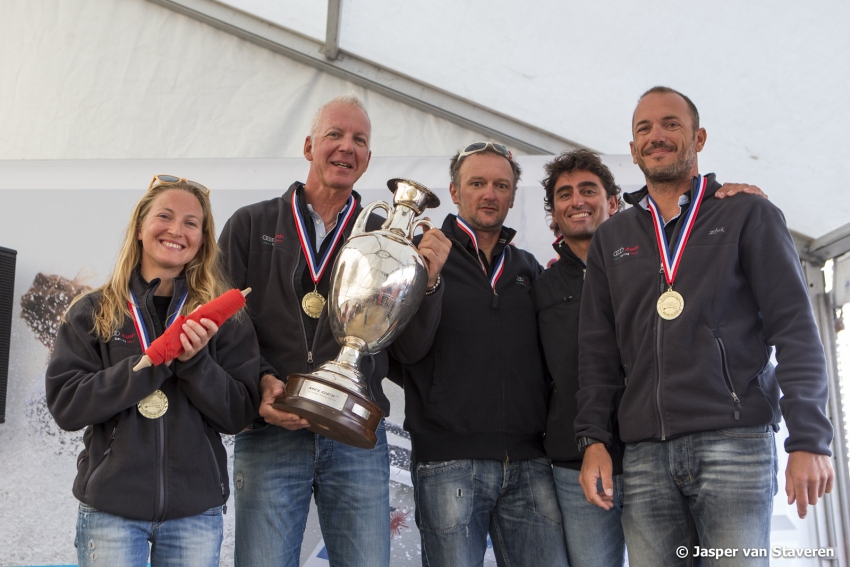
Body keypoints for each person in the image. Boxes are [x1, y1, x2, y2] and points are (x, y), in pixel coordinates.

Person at [575, 86, 834, 566]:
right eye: (644, 129)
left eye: (671, 124)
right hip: (646, 455)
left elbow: (795, 329)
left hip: (734, 444)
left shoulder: (747, 213)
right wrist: (593, 440)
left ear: (699, 137)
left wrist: (810, 440)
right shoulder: (613, 237)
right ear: (632, 151)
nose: (657, 136)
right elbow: (597, 353)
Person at [218, 94, 448, 567]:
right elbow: (224, 327)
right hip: (271, 427)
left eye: (359, 140)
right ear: (308, 146)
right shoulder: (251, 224)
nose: (347, 147)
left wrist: (430, 282)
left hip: (355, 430)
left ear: (367, 159)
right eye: (335, 135)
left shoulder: (393, 241)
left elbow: (412, 348)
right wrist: (261, 380)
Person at [536, 149, 763, 567]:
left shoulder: (663, 253)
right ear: (553, 213)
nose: (577, 201)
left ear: (613, 201)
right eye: (564, 194)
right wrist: (588, 440)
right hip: (586, 461)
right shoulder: (538, 283)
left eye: (589, 190)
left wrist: (734, 200)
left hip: (656, 449)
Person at [45, 175, 261, 567]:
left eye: (192, 223)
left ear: (202, 239)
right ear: (141, 228)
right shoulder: (93, 311)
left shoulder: (226, 318)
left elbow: (239, 414)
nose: (177, 230)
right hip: (111, 511)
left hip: (195, 514)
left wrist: (196, 362)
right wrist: (151, 363)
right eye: (165, 216)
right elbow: (67, 405)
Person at [392, 141, 568, 566]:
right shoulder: (420, 254)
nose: (490, 194)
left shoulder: (528, 268)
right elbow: (404, 353)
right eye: (477, 183)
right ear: (454, 191)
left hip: (530, 462)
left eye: (500, 185)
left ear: (511, 195)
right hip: (448, 461)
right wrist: (429, 282)